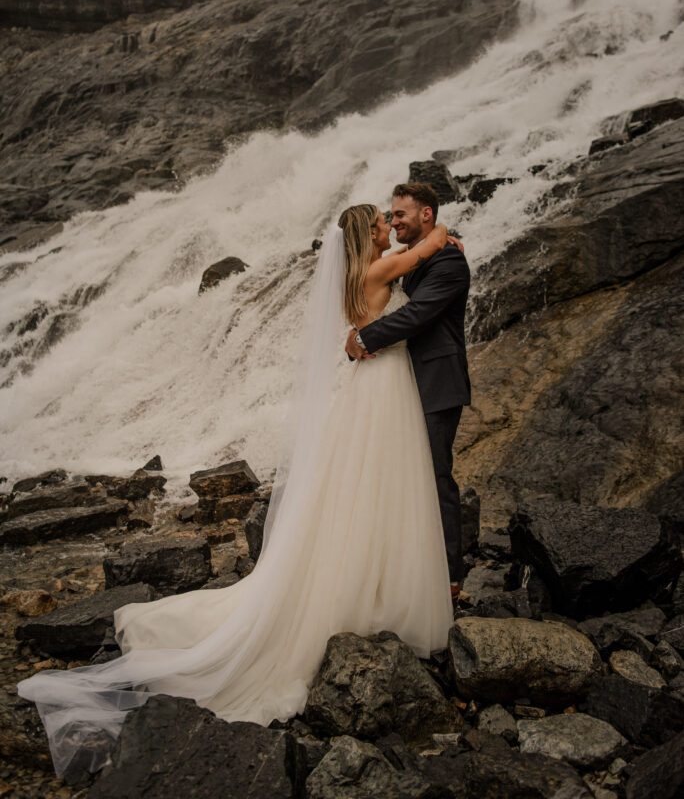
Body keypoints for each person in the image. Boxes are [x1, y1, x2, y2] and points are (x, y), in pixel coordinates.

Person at [18, 203, 456, 780]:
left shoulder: (358, 277)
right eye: (380, 221)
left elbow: (400, 273)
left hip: (370, 385)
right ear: (365, 234)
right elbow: (427, 249)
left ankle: (367, 581)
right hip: (381, 391)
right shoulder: (380, 272)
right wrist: (444, 233)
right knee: (377, 486)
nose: (387, 225)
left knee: (359, 489)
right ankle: (372, 588)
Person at [345, 183, 470, 600]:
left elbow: (418, 314)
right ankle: (399, 571)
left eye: (400, 215)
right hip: (397, 385)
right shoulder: (407, 260)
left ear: (426, 215)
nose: (393, 221)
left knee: (435, 480)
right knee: (398, 480)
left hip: (435, 384)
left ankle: (448, 577)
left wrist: (363, 339)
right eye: (389, 217)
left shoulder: (447, 259)